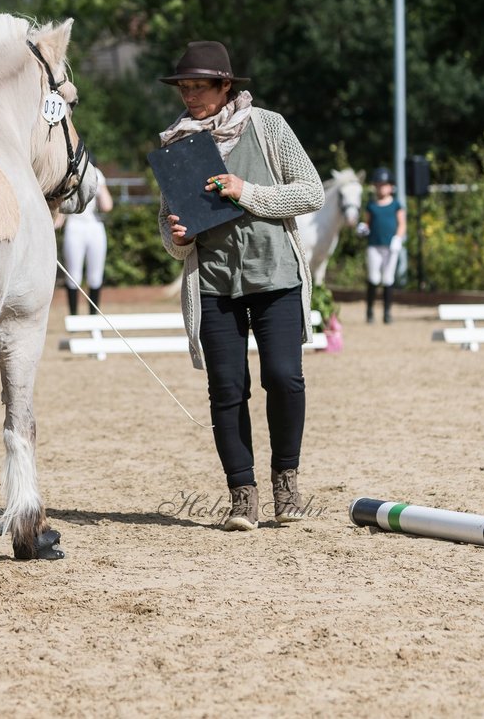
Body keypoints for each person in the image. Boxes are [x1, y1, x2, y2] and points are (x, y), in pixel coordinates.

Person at [156, 41, 324, 531]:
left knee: (284, 378)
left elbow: (310, 190)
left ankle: (286, 484)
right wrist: (176, 234)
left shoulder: (269, 126)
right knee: (227, 389)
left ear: (225, 86)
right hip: (212, 283)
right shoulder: (175, 143)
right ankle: (241, 495)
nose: (189, 96)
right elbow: (168, 229)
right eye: (184, 88)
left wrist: (245, 191)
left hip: (276, 277)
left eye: (199, 87)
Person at [55, 170, 114, 315]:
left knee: (96, 275)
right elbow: (61, 213)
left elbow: (107, 206)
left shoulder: (97, 174)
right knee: (73, 275)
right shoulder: (69, 174)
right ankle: (74, 315)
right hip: (74, 226)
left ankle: (93, 316)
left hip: (94, 226)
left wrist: (100, 183)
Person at [359, 167, 406, 324]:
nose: (381, 187)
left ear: (390, 186)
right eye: (379, 184)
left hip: (390, 246)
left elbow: (402, 224)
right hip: (374, 245)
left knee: (388, 278)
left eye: (384, 184)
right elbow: (368, 223)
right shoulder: (371, 205)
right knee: (373, 277)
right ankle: (370, 310)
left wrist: (398, 238)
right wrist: (364, 229)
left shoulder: (396, 205)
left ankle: (387, 312)